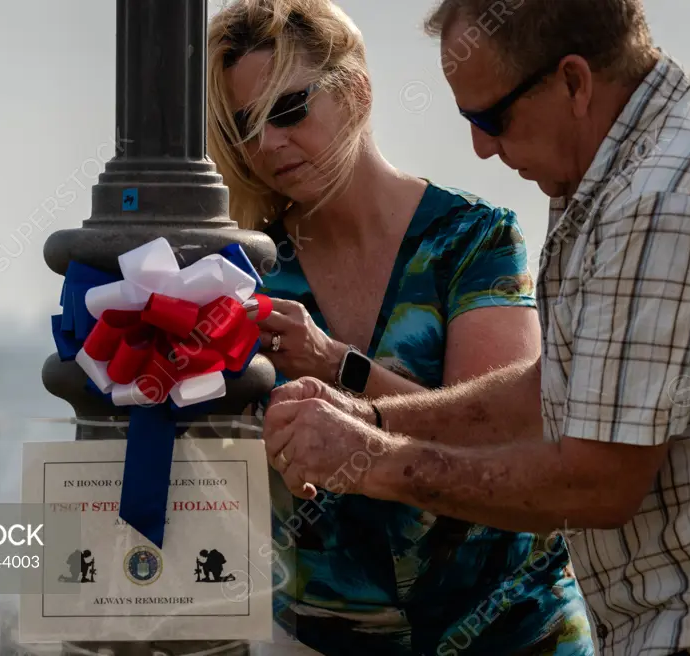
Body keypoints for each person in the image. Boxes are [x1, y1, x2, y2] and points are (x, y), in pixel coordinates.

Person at [261, 1, 690, 656]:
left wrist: (365, 460)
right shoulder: (610, 157)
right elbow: (549, 392)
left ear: (574, 82)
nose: (480, 147)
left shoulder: (668, 197)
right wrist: (375, 420)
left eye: (491, 118)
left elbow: (597, 481)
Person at [207, 1, 595, 654]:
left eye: (289, 108)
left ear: (355, 90)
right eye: (246, 124)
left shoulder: (471, 239)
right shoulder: (247, 273)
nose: (268, 143)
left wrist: (337, 364)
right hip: (321, 639)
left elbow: (507, 437)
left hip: (511, 634)